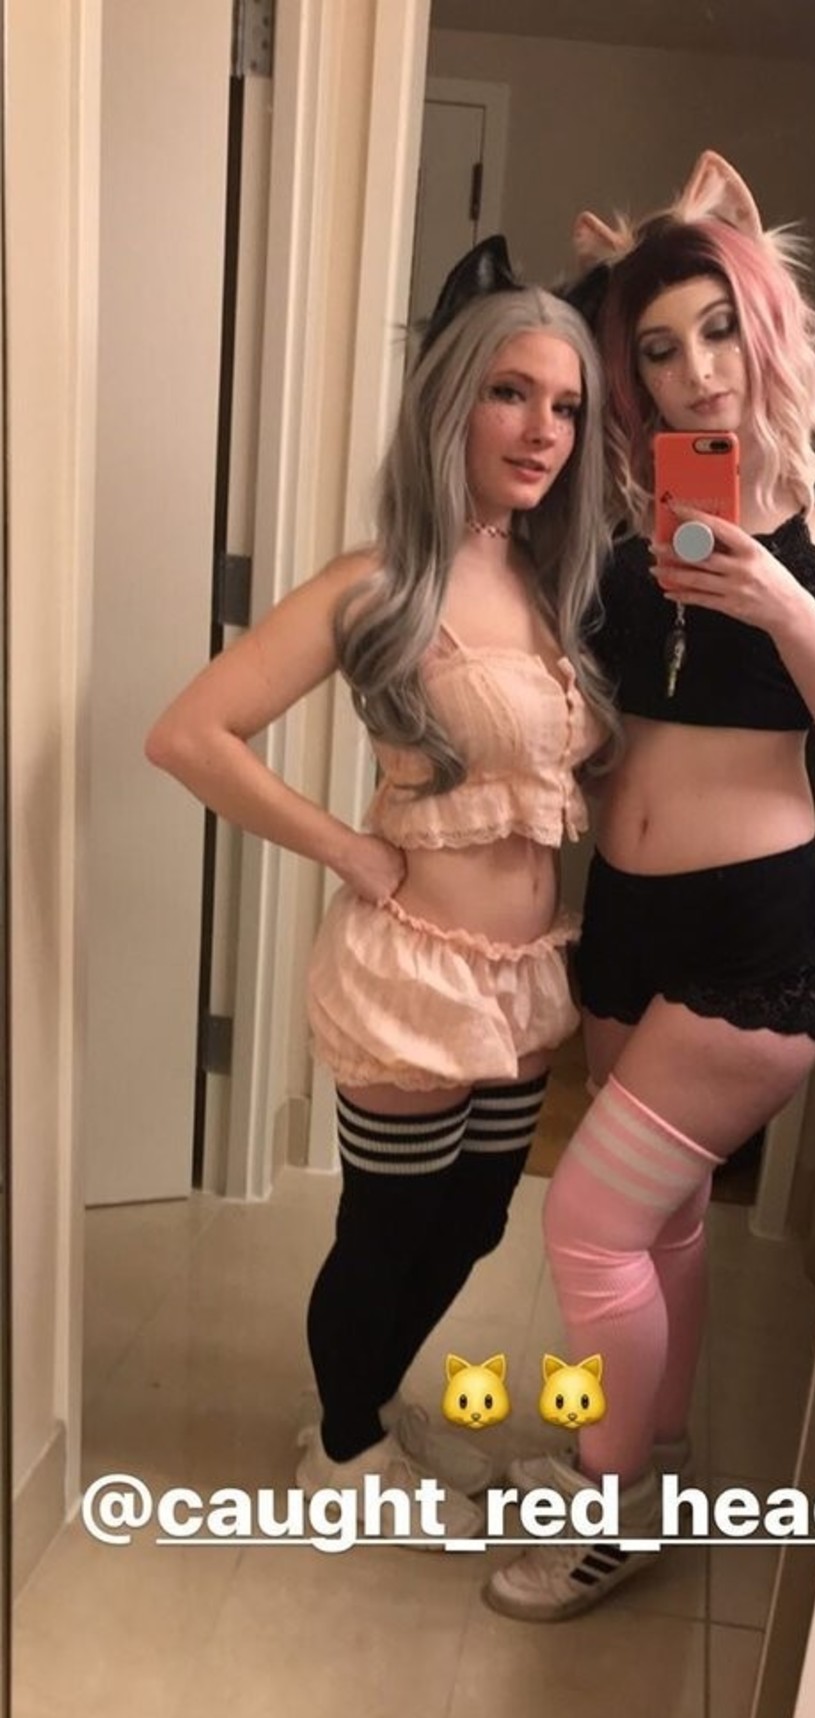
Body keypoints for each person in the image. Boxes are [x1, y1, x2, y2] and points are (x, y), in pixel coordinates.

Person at [486, 152, 815, 1617]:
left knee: (588, 1224)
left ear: (769, 325)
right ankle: (652, 1461)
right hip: (627, 916)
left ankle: (610, 1511)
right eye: (661, 349)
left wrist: (784, 600)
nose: (696, 373)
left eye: (719, 330)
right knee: (662, 1223)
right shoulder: (625, 505)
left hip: (755, 937)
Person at [146, 239, 616, 1540]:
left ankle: (365, 1400)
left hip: (522, 977)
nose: (544, 429)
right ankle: (344, 1452)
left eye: (567, 404)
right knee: (387, 1233)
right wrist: (346, 850)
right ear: (452, 402)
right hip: (411, 975)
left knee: (470, 1226)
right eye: (512, 393)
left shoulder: (555, 579)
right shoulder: (378, 585)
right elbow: (189, 734)